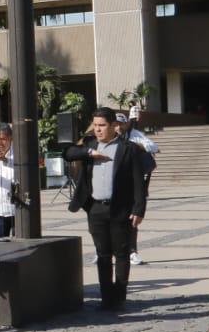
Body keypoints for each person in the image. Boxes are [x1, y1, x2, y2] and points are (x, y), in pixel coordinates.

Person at [64, 108, 150, 312]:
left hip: (120, 209)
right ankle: (106, 298)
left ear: (114, 126)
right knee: (102, 255)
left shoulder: (128, 148)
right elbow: (67, 153)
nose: (98, 129)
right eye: (95, 125)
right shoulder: (90, 145)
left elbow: (139, 181)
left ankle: (119, 297)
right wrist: (88, 153)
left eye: (102, 125)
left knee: (121, 253)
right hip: (96, 208)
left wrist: (139, 209)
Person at [115, 113, 159, 266]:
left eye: (121, 123)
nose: (118, 127)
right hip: (112, 185)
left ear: (127, 124)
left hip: (132, 184)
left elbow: (154, 146)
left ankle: (132, 252)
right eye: (115, 124)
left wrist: (137, 145)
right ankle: (103, 251)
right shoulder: (107, 138)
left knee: (131, 220)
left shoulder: (134, 135)